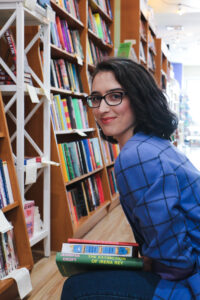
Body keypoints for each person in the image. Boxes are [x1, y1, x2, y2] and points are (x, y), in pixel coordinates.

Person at [61, 57, 200, 300]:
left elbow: (177, 262)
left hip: (191, 282)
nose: (102, 108)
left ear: (138, 97)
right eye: (96, 98)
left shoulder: (135, 155)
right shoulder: (153, 143)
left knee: (75, 288)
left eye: (115, 96)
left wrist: (142, 265)